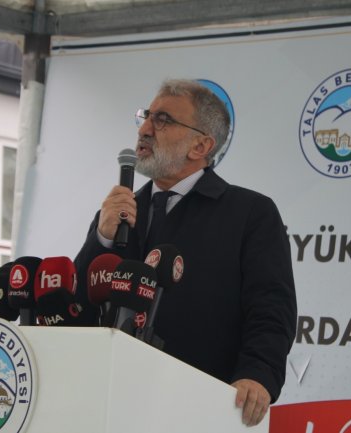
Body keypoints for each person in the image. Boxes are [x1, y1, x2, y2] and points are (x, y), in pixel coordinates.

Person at [74, 79, 297, 426]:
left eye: (162, 120)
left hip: (200, 408)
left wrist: (258, 373)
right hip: (112, 403)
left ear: (201, 145)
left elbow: (271, 308)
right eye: (146, 116)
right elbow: (78, 305)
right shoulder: (120, 212)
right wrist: (101, 238)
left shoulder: (249, 213)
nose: (145, 129)